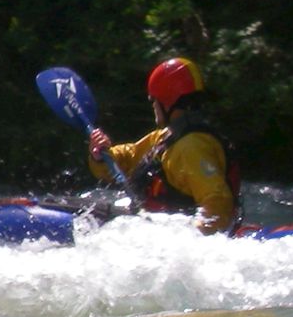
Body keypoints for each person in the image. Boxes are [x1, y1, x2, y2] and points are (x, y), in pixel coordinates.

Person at [86, 57, 241, 234]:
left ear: (167, 102)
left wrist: (189, 238)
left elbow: (218, 201)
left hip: (173, 239)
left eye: (154, 101)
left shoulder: (192, 147)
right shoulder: (166, 138)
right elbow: (128, 158)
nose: (153, 106)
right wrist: (100, 154)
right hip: (153, 228)